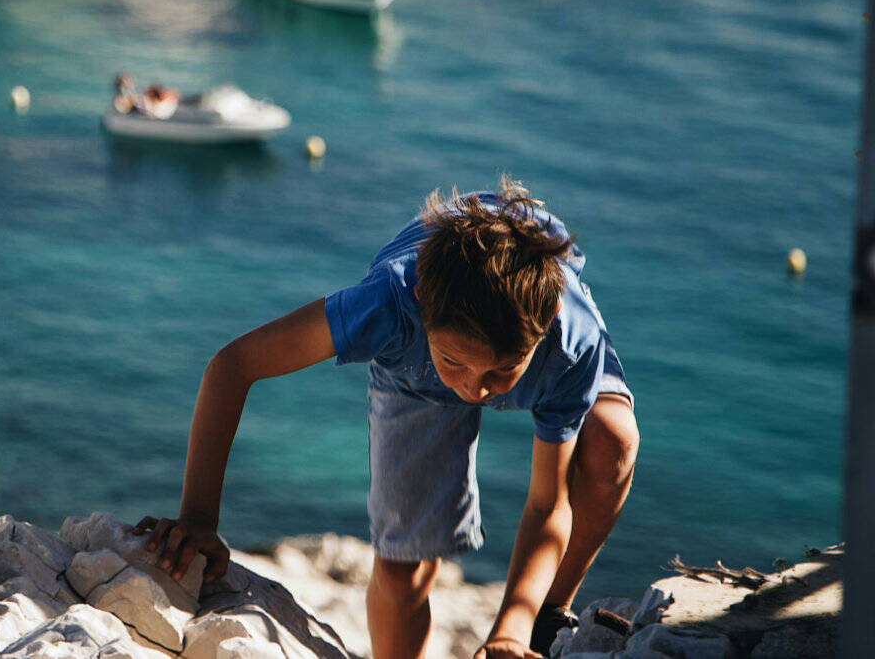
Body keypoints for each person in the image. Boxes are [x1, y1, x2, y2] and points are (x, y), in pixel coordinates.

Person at [135, 178, 639, 659]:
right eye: (457, 363)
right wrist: (199, 519)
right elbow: (234, 366)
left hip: (512, 343)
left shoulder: (571, 342)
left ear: (547, 318)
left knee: (611, 441)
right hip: (415, 376)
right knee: (404, 571)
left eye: (502, 371)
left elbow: (547, 505)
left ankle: (548, 615)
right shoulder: (389, 304)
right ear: (422, 302)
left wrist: (513, 621)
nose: (476, 389)